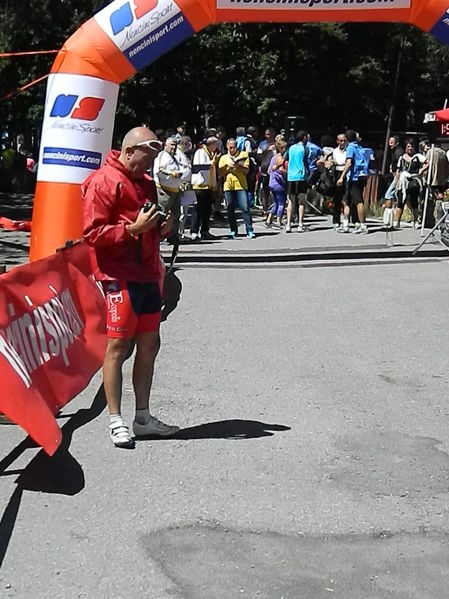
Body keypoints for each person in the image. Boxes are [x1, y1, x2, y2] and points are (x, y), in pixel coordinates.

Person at [82, 126, 179, 448]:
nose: (149, 165)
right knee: (118, 349)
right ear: (128, 152)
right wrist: (132, 230)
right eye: (145, 158)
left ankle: (143, 417)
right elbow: (92, 234)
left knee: (150, 345)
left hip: (148, 275)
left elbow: (148, 227)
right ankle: (115, 420)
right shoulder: (103, 181)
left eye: (152, 159)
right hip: (119, 277)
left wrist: (161, 229)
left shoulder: (144, 182)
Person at [153, 136, 191, 243]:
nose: (173, 147)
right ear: (166, 145)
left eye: (175, 145)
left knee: (176, 215)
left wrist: (183, 182)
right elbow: (159, 171)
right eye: (171, 145)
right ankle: (157, 236)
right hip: (164, 191)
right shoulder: (162, 156)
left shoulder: (175, 157)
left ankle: (172, 236)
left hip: (175, 190)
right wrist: (172, 174)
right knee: (162, 214)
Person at [218, 138, 256, 239]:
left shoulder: (243, 155)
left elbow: (246, 170)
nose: (232, 149)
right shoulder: (224, 158)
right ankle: (233, 230)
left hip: (241, 185)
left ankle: (249, 229)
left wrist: (237, 166)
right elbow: (220, 173)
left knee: (245, 207)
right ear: (227, 146)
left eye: (234, 147)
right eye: (230, 147)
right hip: (228, 185)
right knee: (230, 208)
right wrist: (227, 169)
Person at [337, 129, 368, 234]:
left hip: (353, 177)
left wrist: (341, 177)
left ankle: (363, 226)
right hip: (361, 176)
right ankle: (346, 224)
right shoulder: (359, 147)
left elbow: (349, 163)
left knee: (358, 202)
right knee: (348, 201)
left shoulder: (350, 148)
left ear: (346, 138)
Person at [191, 135, 220, 240]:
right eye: (215, 144)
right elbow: (200, 166)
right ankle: (194, 231)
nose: (216, 147)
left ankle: (205, 230)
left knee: (207, 210)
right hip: (200, 185)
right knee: (198, 210)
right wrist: (212, 162)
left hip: (209, 185)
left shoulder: (211, 154)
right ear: (210, 145)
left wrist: (214, 186)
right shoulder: (200, 152)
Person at [394, 139, 425, 229]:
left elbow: (427, 162)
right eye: (408, 146)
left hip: (414, 181)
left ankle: (415, 221)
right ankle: (396, 222)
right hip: (403, 181)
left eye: (411, 146)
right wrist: (396, 182)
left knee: (414, 201)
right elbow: (398, 170)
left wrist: (422, 170)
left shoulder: (418, 157)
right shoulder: (402, 158)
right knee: (400, 201)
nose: (410, 148)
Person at [285, 130, 309, 233]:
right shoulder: (304, 148)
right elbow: (306, 161)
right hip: (301, 176)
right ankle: (300, 224)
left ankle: (288, 224)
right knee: (301, 201)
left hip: (291, 176)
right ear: (304, 138)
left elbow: (285, 158)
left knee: (291, 201)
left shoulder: (291, 148)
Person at [266, 139, 287, 228]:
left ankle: (269, 219)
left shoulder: (273, 158)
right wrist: (288, 173)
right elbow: (281, 169)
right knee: (282, 203)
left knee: (276, 202)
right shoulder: (280, 158)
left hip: (272, 182)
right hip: (279, 183)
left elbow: (268, 171)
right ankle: (278, 221)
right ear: (281, 149)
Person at [331, 133, 347, 230]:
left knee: (347, 198)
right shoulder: (335, 151)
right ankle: (336, 220)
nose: (343, 142)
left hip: (345, 171)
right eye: (341, 141)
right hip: (337, 171)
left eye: (344, 140)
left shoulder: (348, 150)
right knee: (337, 198)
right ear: (337, 141)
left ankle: (353, 219)